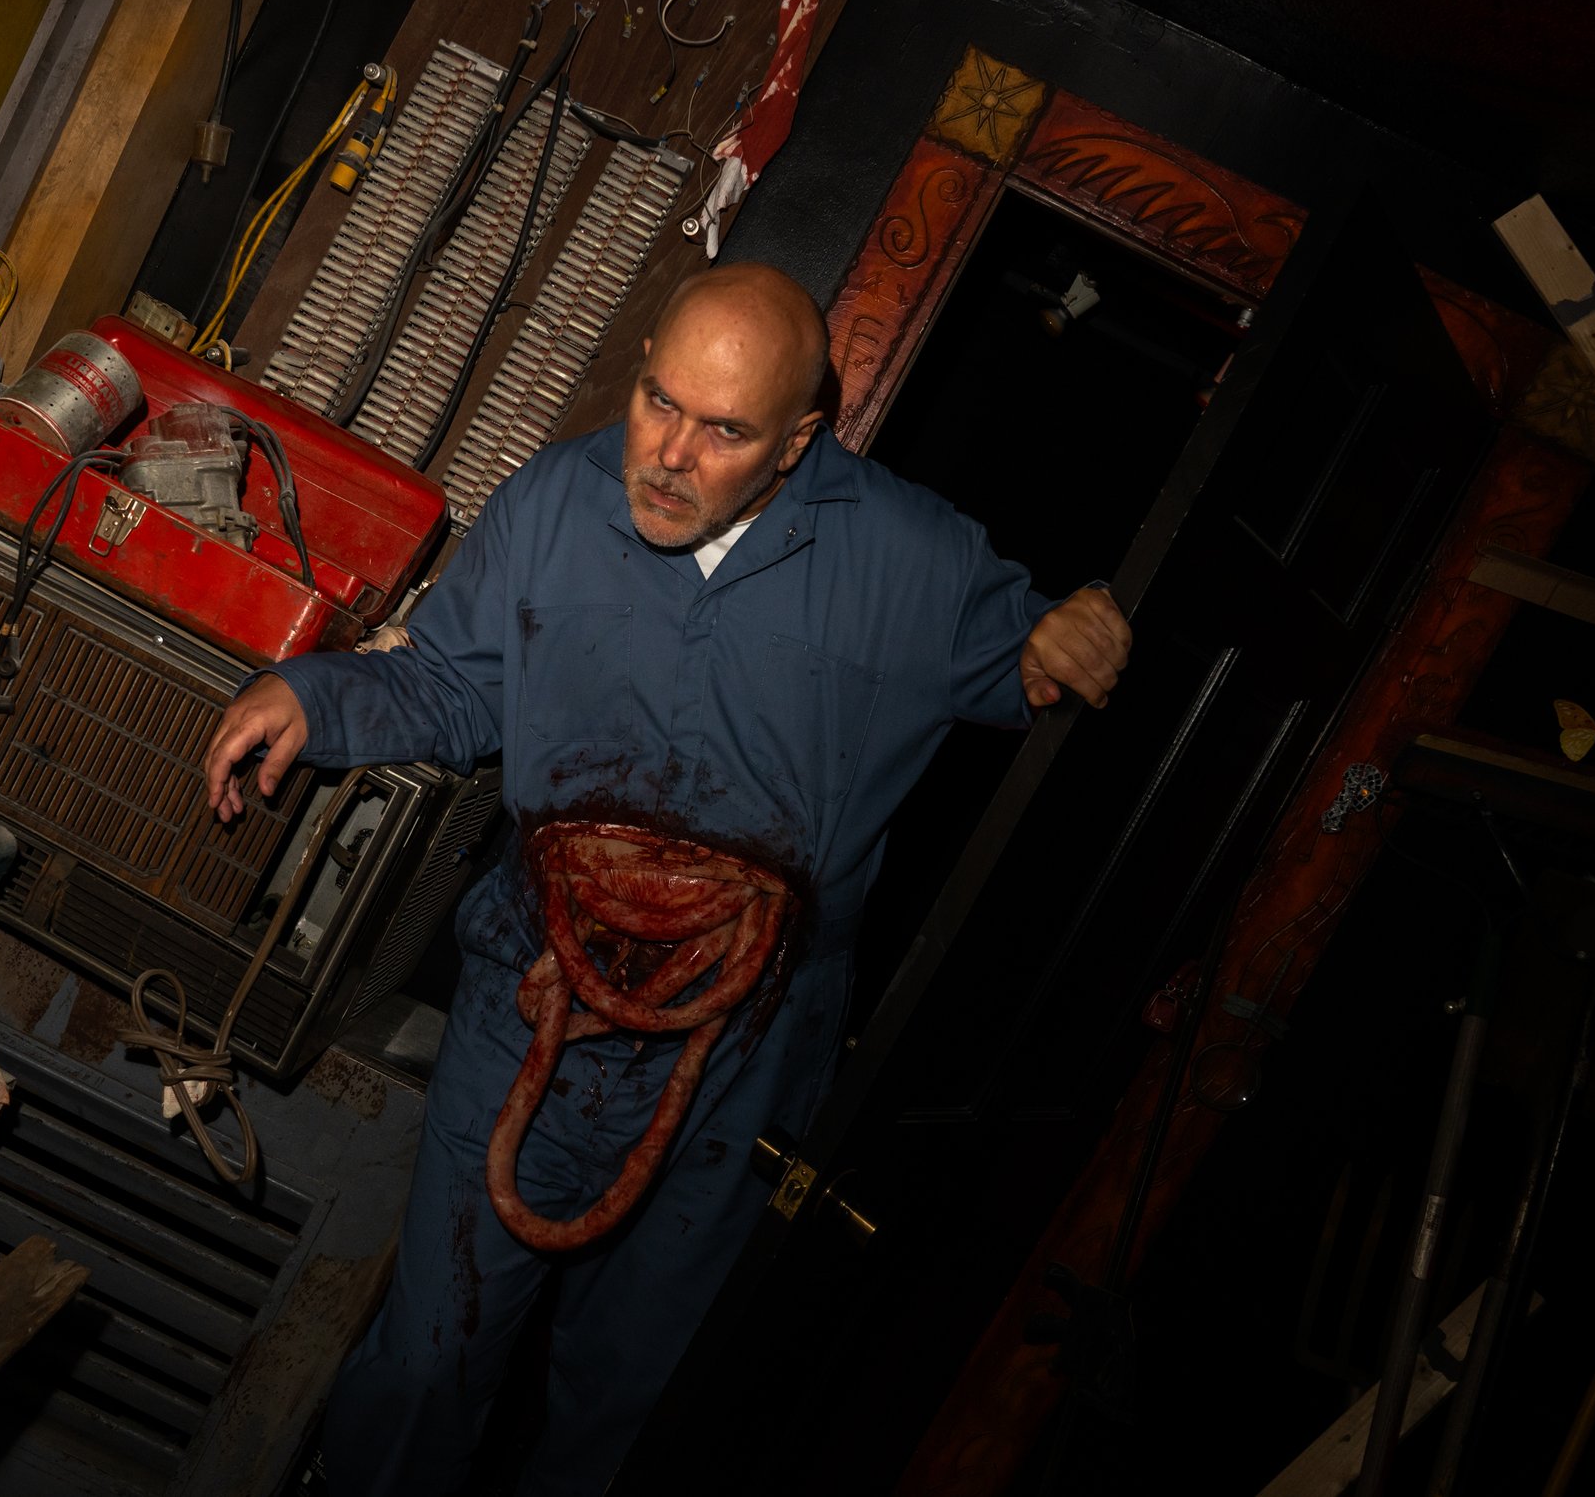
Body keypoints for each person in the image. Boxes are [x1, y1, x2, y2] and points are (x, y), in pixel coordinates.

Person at [201, 264, 1132, 1495]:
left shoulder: (914, 560)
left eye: (725, 429)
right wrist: (310, 693)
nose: (670, 454)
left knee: (626, 1416)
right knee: (425, 1363)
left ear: (798, 442)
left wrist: (1086, 625)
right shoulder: (549, 502)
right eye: (657, 401)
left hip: (743, 1057)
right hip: (532, 997)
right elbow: (457, 683)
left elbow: (1040, 659)